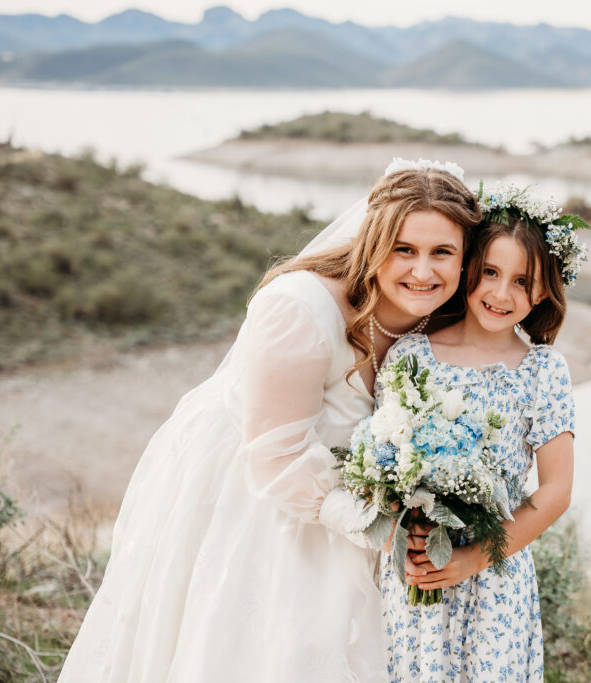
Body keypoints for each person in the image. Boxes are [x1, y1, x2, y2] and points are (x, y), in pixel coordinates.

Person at [58, 160, 481, 682]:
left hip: (350, 513)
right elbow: (275, 455)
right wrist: (382, 528)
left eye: (443, 252)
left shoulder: (439, 326)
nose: (423, 271)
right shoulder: (298, 309)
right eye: (404, 249)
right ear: (373, 243)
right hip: (257, 507)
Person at [378, 184, 587, 681]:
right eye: (490, 272)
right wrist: (404, 532)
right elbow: (385, 462)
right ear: (469, 268)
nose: (500, 293)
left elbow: (556, 492)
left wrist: (472, 559)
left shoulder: (543, 371)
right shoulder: (410, 356)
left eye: (522, 281)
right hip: (417, 565)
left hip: (496, 576)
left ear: (543, 291)